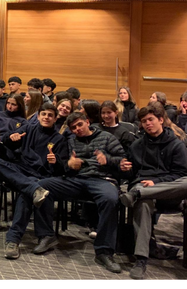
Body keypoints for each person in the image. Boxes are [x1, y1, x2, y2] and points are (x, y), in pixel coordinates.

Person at [35, 112, 126, 273]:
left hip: (102, 180)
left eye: (79, 125)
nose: (77, 129)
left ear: (87, 122)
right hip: (76, 180)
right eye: (73, 128)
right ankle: (46, 236)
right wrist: (68, 164)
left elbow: (123, 161)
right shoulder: (70, 141)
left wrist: (108, 160)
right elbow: (63, 165)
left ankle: (104, 251)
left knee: (110, 199)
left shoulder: (106, 137)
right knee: (42, 186)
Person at [118, 103, 187, 280]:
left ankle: (137, 194)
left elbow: (180, 174)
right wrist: (124, 167)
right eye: (144, 121)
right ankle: (141, 259)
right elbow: (132, 175)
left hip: (168, 192)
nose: (147, 124)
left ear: (161, 120)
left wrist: (156, 182)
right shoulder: (137, 145)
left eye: (151, 120)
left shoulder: (176, 144)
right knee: (143, 203)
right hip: (143, 188)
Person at [0, 103, 69, 259]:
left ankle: (13, 239)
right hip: (22, 170)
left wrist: (56, 162)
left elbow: (62, 169)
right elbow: (6, 140)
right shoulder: (28, 128)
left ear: (55, 119)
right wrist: (11, 138)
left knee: (26, 193)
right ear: (38, 116)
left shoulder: (59, 139)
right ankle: (34, 191)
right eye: (44, 114)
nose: (46, 117)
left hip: (41, 176)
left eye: (50, 115)